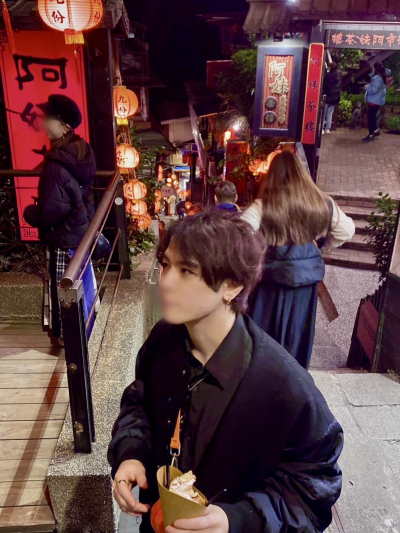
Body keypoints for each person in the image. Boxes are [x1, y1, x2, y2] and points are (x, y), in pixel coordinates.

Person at [108, 210, 343, 533]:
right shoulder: (164, 339)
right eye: (166, 265)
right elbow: (138, 401)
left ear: (232, 286)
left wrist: (238, 519)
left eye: (187, 270)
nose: (166, 281)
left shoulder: (283, 385)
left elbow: (313, 490)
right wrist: (130, 454)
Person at [242, 152, 355, 369]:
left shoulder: (262, 206)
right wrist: (321, 246)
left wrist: (257, 251)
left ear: (272, 175)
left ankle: (262, 381)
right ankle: (293, 382)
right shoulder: (321, 203)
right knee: (296, 340)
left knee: (264, 341)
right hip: (305, 288)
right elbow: (346, 230)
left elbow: (240, 236)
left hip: (269, 285)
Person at [23, 94, 96, 344]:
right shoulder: (82, 150)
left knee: (65, 291)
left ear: (64, 126)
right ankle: (83, 333)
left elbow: (52, 210)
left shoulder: (57, 163)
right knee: (80, 287)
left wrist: (29, 213)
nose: (43, 122)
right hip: (79, 232)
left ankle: (71, 342)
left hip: (63, 237)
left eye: (49, 118)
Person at [363, 62, 387, 142]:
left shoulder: (378, 79)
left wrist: (367, 87)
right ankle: (375, 131)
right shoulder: (379, 77)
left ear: (376, 68)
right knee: (372, 117)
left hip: (374, 101)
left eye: (373, 67)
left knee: (370, 117)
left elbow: (373, 90)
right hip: (376, 100)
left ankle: (371, 135)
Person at [322, 62, 341, 134]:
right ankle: (328, 128)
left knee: (323, 113)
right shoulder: (338, 76)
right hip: (335, 98)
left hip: (327, 96)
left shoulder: (327, 76)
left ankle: (322, 128)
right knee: (330, 113)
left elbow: (324, 86)